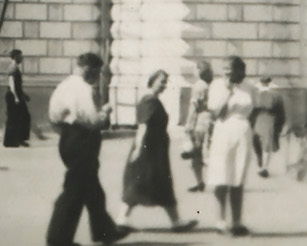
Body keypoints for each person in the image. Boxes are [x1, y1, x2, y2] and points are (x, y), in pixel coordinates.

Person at [46, 52, 130, 246]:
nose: (97, 76)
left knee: (93, 191)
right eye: (97, 71)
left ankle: (105, 231)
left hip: (69, 137)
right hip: (82, 142)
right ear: (87, 68)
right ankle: (58, 239)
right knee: (73, 192)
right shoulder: (83, 89)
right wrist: (105, 113)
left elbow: (53, 116)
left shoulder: (64, 85)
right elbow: (93, 121)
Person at [119, 69, 194, 232]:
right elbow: (143, 126)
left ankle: (176, 221)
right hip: (148, 149)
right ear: (152, 81)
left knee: (159, 182)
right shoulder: (149, 101)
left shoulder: (153, 100)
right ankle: (122, 219)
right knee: (139, 181)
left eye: (166, 82)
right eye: (162, 81)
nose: (165, 85)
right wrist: (139, 148)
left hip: (156, 149)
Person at [204, 56, 256, 236]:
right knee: (221, 176)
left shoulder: (250, 87)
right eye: (224, 68)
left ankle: (237, 222)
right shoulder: (217, 86)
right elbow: (218, 114)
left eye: (231, 68)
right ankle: (220, 222)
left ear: (241, 70)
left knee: (238, 177)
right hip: (224, 131)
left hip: (243, 132)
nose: (227, 71)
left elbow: (252, 112)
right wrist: (229, 93)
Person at [181, 61, 213, 193]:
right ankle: (201, 182)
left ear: (199, 70)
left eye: (195, 68)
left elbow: (194, 106)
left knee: (196, 151)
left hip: (199, 120)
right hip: (208, 119)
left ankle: (199, 181)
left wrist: (188, 122)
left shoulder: (198, 85)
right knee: (203, 149)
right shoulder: (208, 85)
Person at [250, 77, 285, 179]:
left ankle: (262, 165)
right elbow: (281, 112)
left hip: (260, 119)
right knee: (266, 143)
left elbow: (251, 109)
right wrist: (280, 125)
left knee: (259, 142)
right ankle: (264, 166)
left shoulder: (257, 94)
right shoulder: (276, 95)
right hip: (268, 119)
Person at [5, 49, 33, 148]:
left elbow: (17, 85)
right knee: (14, 118)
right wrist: (16, 97)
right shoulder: (13, 67)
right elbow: (11, 83)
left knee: (23, 117)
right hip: (13, 95)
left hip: (16, 94)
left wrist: (24, 95)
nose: (22, 58)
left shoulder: (15, 67)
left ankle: (19, 139)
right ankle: (10, 141)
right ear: (15, 56)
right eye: (20, 56)